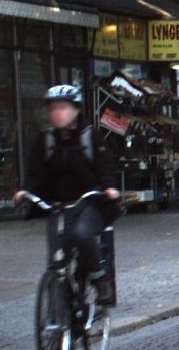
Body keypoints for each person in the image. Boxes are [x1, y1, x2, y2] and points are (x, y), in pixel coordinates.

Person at [14, 85, 121, 305]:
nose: (57, 113)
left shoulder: (91, 136)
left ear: (75, 110)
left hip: (89, 203)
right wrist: (26, 191)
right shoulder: (45, 140)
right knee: (56, 255)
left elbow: (105, 168)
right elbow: (35, 173)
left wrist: (109, 188)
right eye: (53, 108)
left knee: (82, 235)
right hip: (58, 206)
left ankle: (100, 281)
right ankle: (60, 306)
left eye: (62, 107)